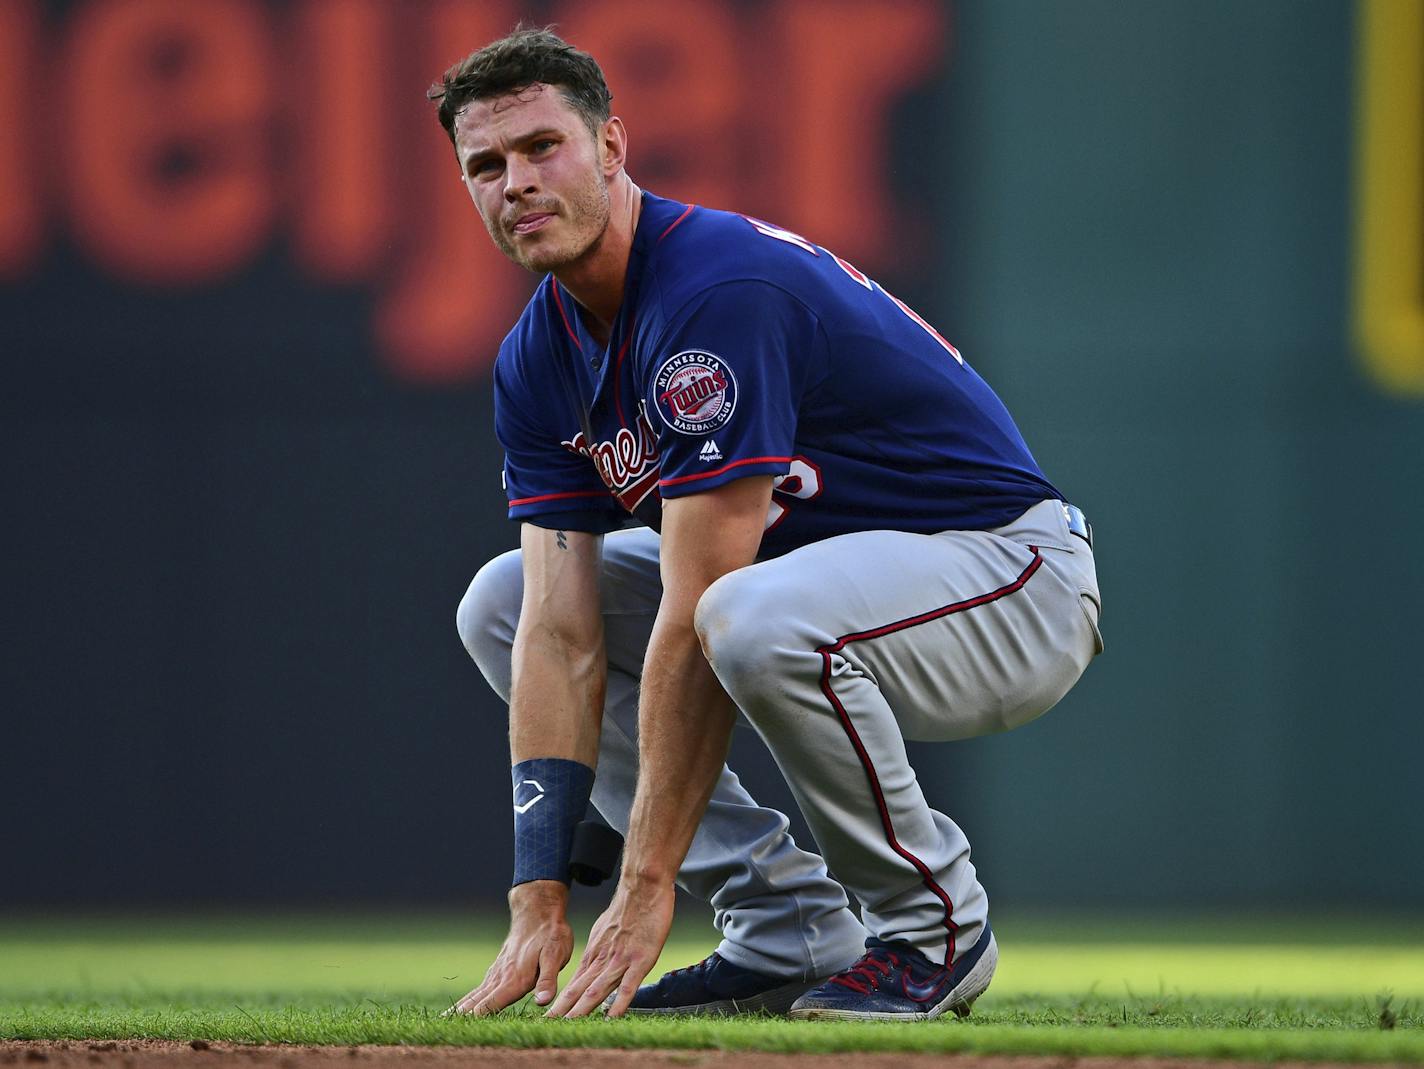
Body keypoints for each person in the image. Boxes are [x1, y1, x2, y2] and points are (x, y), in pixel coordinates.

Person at [440, 27, 1103, 1021]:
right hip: (827, 586)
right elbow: (556, 632)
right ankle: (786, 924)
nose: (516, 183)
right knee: (501, 600)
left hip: (1006, 580)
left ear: (612, 148)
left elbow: (701, 604)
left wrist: (640, 886)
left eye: (543, 147)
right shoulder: (535, 360)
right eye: (485, 165)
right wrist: (538, 890)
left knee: (740, 613)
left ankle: (934, 927)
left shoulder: (713, 289)